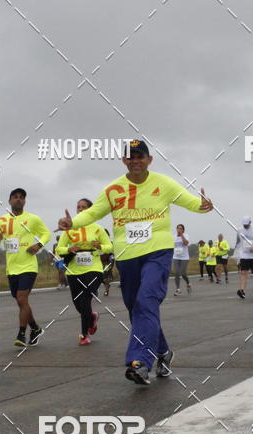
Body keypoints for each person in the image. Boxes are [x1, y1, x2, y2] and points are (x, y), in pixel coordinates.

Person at [57, 139, 212, 385]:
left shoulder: (164, 184)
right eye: (130, 157)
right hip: (128, 256)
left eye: (140, 156)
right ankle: (163, 351)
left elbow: (191, 202)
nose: (135, 161)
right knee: (135, 308)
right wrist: (73, 223)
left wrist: (203, 205)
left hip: (157, 252)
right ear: (124, 161)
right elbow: (94, 212)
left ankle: (140, 362)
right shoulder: (113, 189)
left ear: (149, 160)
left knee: (146, 300)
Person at [0, 188, 51, 346]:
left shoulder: (32, 219)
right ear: (9, 201)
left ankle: (21, 334)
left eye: (21, 197)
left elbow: (46, 233)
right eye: (15, 197)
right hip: (12, 268)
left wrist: (38, 245)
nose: (18, 200)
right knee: (21, 302)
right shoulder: (2, 221)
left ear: (25, 201)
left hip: (28, 266)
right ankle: (35, 328)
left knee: (22, 298)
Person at [55, 198, 112, 345]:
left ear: (90, 210)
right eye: (78, 207)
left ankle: (84, 334)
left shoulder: (97, 228)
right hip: (74, 270)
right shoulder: (69, 230)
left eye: (84, 207)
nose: (80, 210)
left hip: (93, 269)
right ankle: (91, 317)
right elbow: (59, 249)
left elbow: (109, 247)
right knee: (77, 303)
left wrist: (100, 246)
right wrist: (69, 249)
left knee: (85, 299)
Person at [234, 216, 253, 299]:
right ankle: (242, 290)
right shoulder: (239, 230)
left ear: (250, 222)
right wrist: (237, 256)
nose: (245, 226)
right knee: (243, 272)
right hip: (244, 255)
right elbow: (237, 243)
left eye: (247, 225)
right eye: (244, 225)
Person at [173, 224, 191, 296]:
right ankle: (178, 290)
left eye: (181, 229)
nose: (179, 230)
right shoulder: (174, 236)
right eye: (178, 228)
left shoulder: (186, 235)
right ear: (176, 229)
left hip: (184, 257)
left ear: (183, 230)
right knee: (177, 273)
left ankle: (188, 283)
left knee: (183, 273)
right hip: (176, 256)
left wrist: (181, 235)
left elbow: (186, 243)